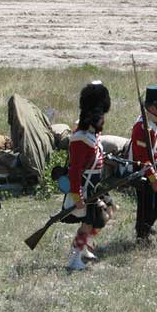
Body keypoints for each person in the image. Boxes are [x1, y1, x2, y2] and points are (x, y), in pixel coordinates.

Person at [63, 81, 111, 271]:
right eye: (101, 118)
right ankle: (75, 257)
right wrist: (77, 195)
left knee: (107, 212)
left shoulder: (90, 134)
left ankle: (84, 247)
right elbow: (74, 170)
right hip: (85, 187)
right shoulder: (80, 138)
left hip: (95, 185)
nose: (103, 121)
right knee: (87, 223)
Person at [128, 80, 157, 246]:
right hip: (142, 170)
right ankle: (142, 234)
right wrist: (153, 178)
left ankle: (146, 226)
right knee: (146, 204)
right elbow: (141, 157)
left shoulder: (150, 121)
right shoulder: (142, 128)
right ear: (153, 107)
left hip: (151, 166)